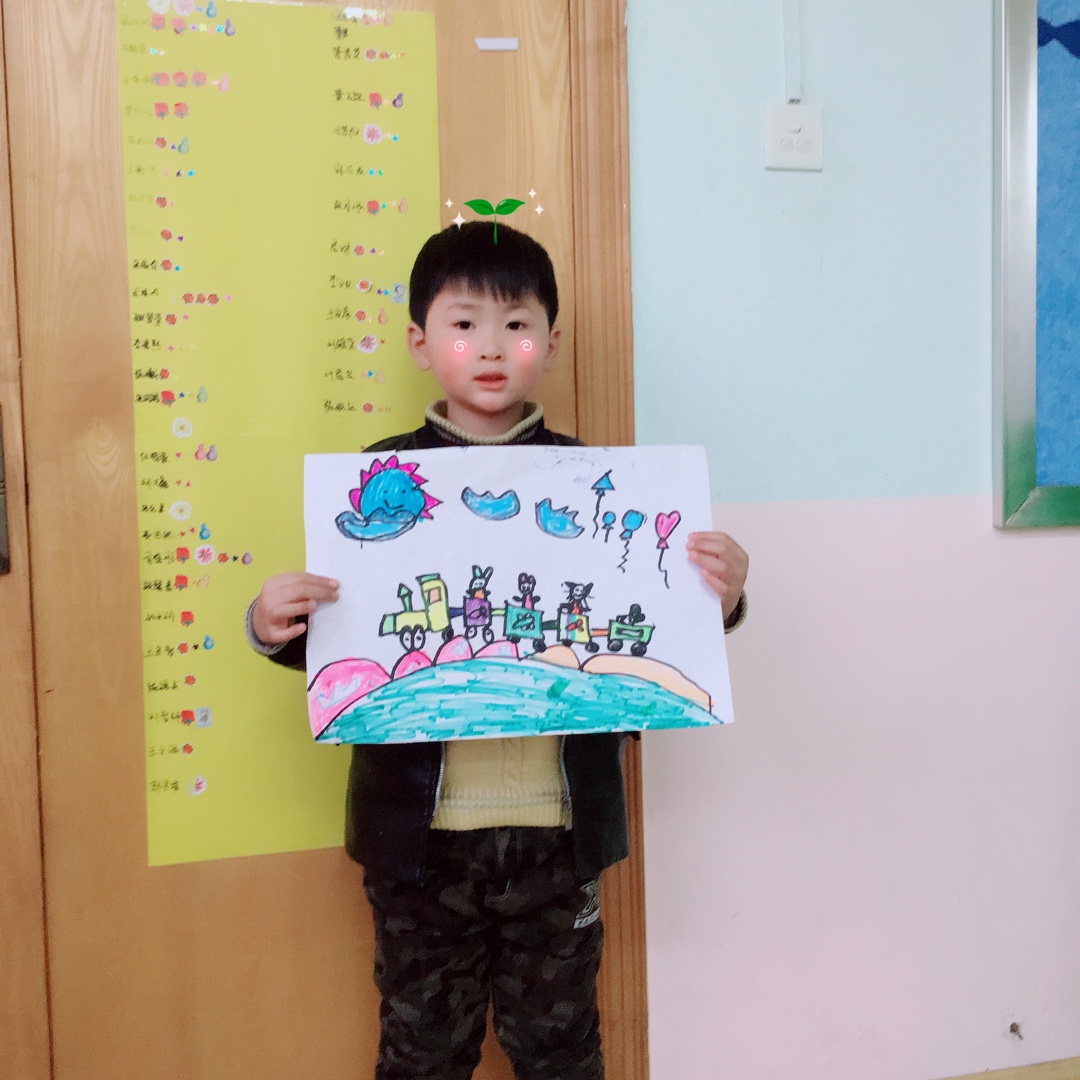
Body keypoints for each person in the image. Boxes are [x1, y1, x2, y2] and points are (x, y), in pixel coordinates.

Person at [247, 222, 749, 1080]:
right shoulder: (377, 481)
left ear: (550, 345)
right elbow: (350, 645)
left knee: (560, 1049)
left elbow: (659, 619)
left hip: (559, 835)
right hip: (419, 842)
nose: (490, 346)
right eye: (464, 323)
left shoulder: (598, 483)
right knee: (421, 1051)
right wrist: (269, 623)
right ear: (420, 342)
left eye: (516, 324)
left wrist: (723, 597)